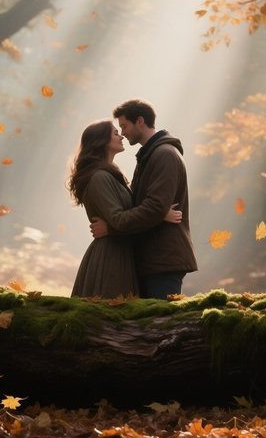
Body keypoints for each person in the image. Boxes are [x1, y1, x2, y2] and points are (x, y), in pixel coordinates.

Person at [90, 99, 198, 299]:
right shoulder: (149, 156)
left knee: (161, 326)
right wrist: (158, 213)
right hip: (151, 258)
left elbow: (154, 207)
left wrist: (111, 228)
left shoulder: (164, 155)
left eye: (124, 126)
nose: (122, 133)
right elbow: (144, 205)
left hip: (163, 259)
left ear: (140, 121)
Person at [69, 119, 181, 298]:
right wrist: (158, 215)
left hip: (122, 253)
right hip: (110, 259)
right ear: (101, 141)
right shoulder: (99, 178)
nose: (121, 136)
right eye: (115, 133)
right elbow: (119, 220)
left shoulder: (111, 175)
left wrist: (153, 214)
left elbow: (124, 215)